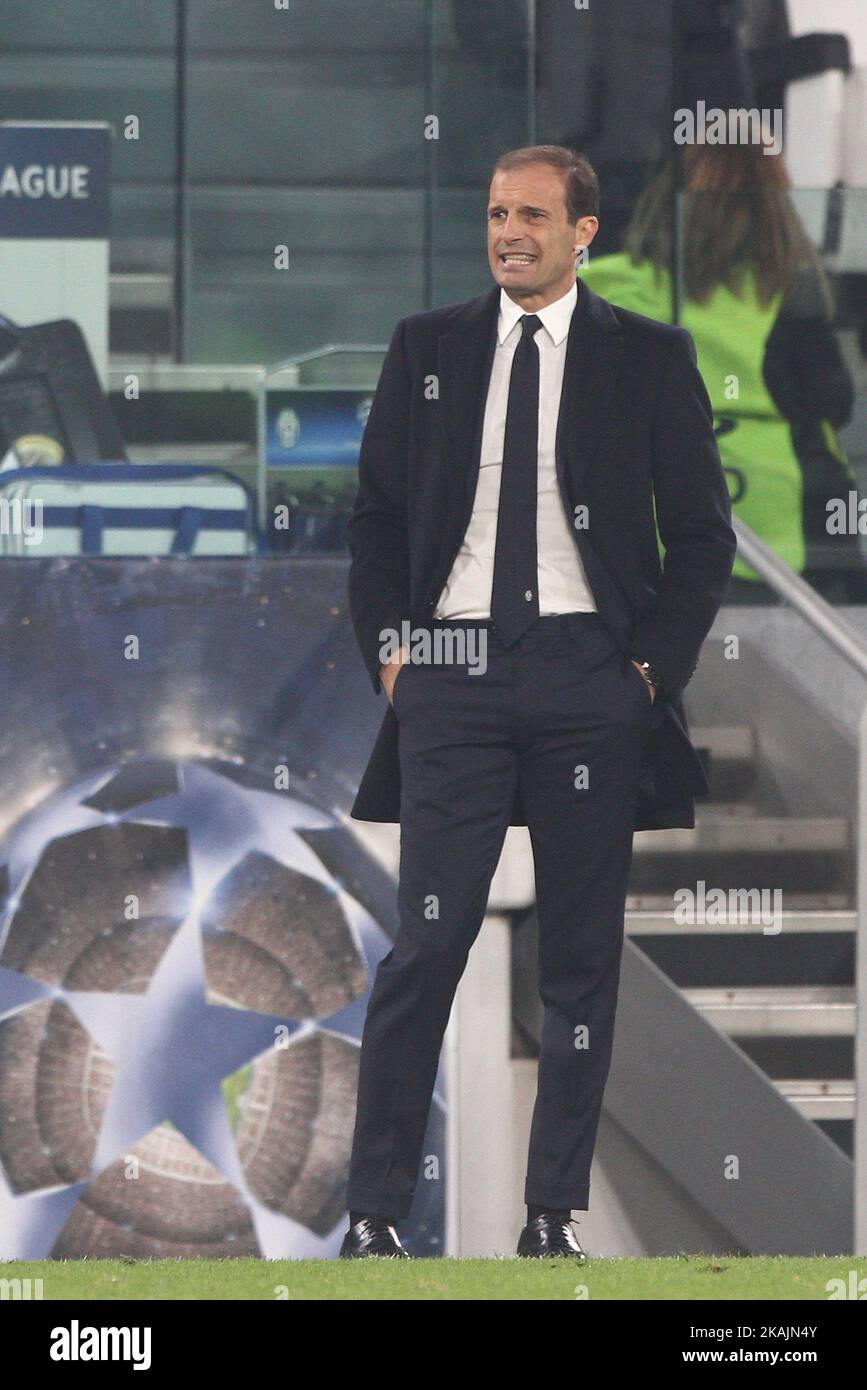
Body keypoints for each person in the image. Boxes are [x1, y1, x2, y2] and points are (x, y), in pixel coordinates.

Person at [341, 145, 736, 1259]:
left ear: (584, 232)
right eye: (494, 211)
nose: (507, 230)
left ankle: (548, 1217)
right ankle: (374, 1213)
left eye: (530, 214)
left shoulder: (649, 358)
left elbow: (702, 540)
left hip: (588, 682)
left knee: (579, 959)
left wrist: (645, 677)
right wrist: (394, 659)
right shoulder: (428, 347)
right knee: (428, 944)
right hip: (449, 676)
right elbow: (373, 520)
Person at [579, 144, 863, 603]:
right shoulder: (788, 290)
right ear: (774, 209)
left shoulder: (603, 284)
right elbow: (834, 401)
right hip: (783, 530)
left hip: (648, 529)